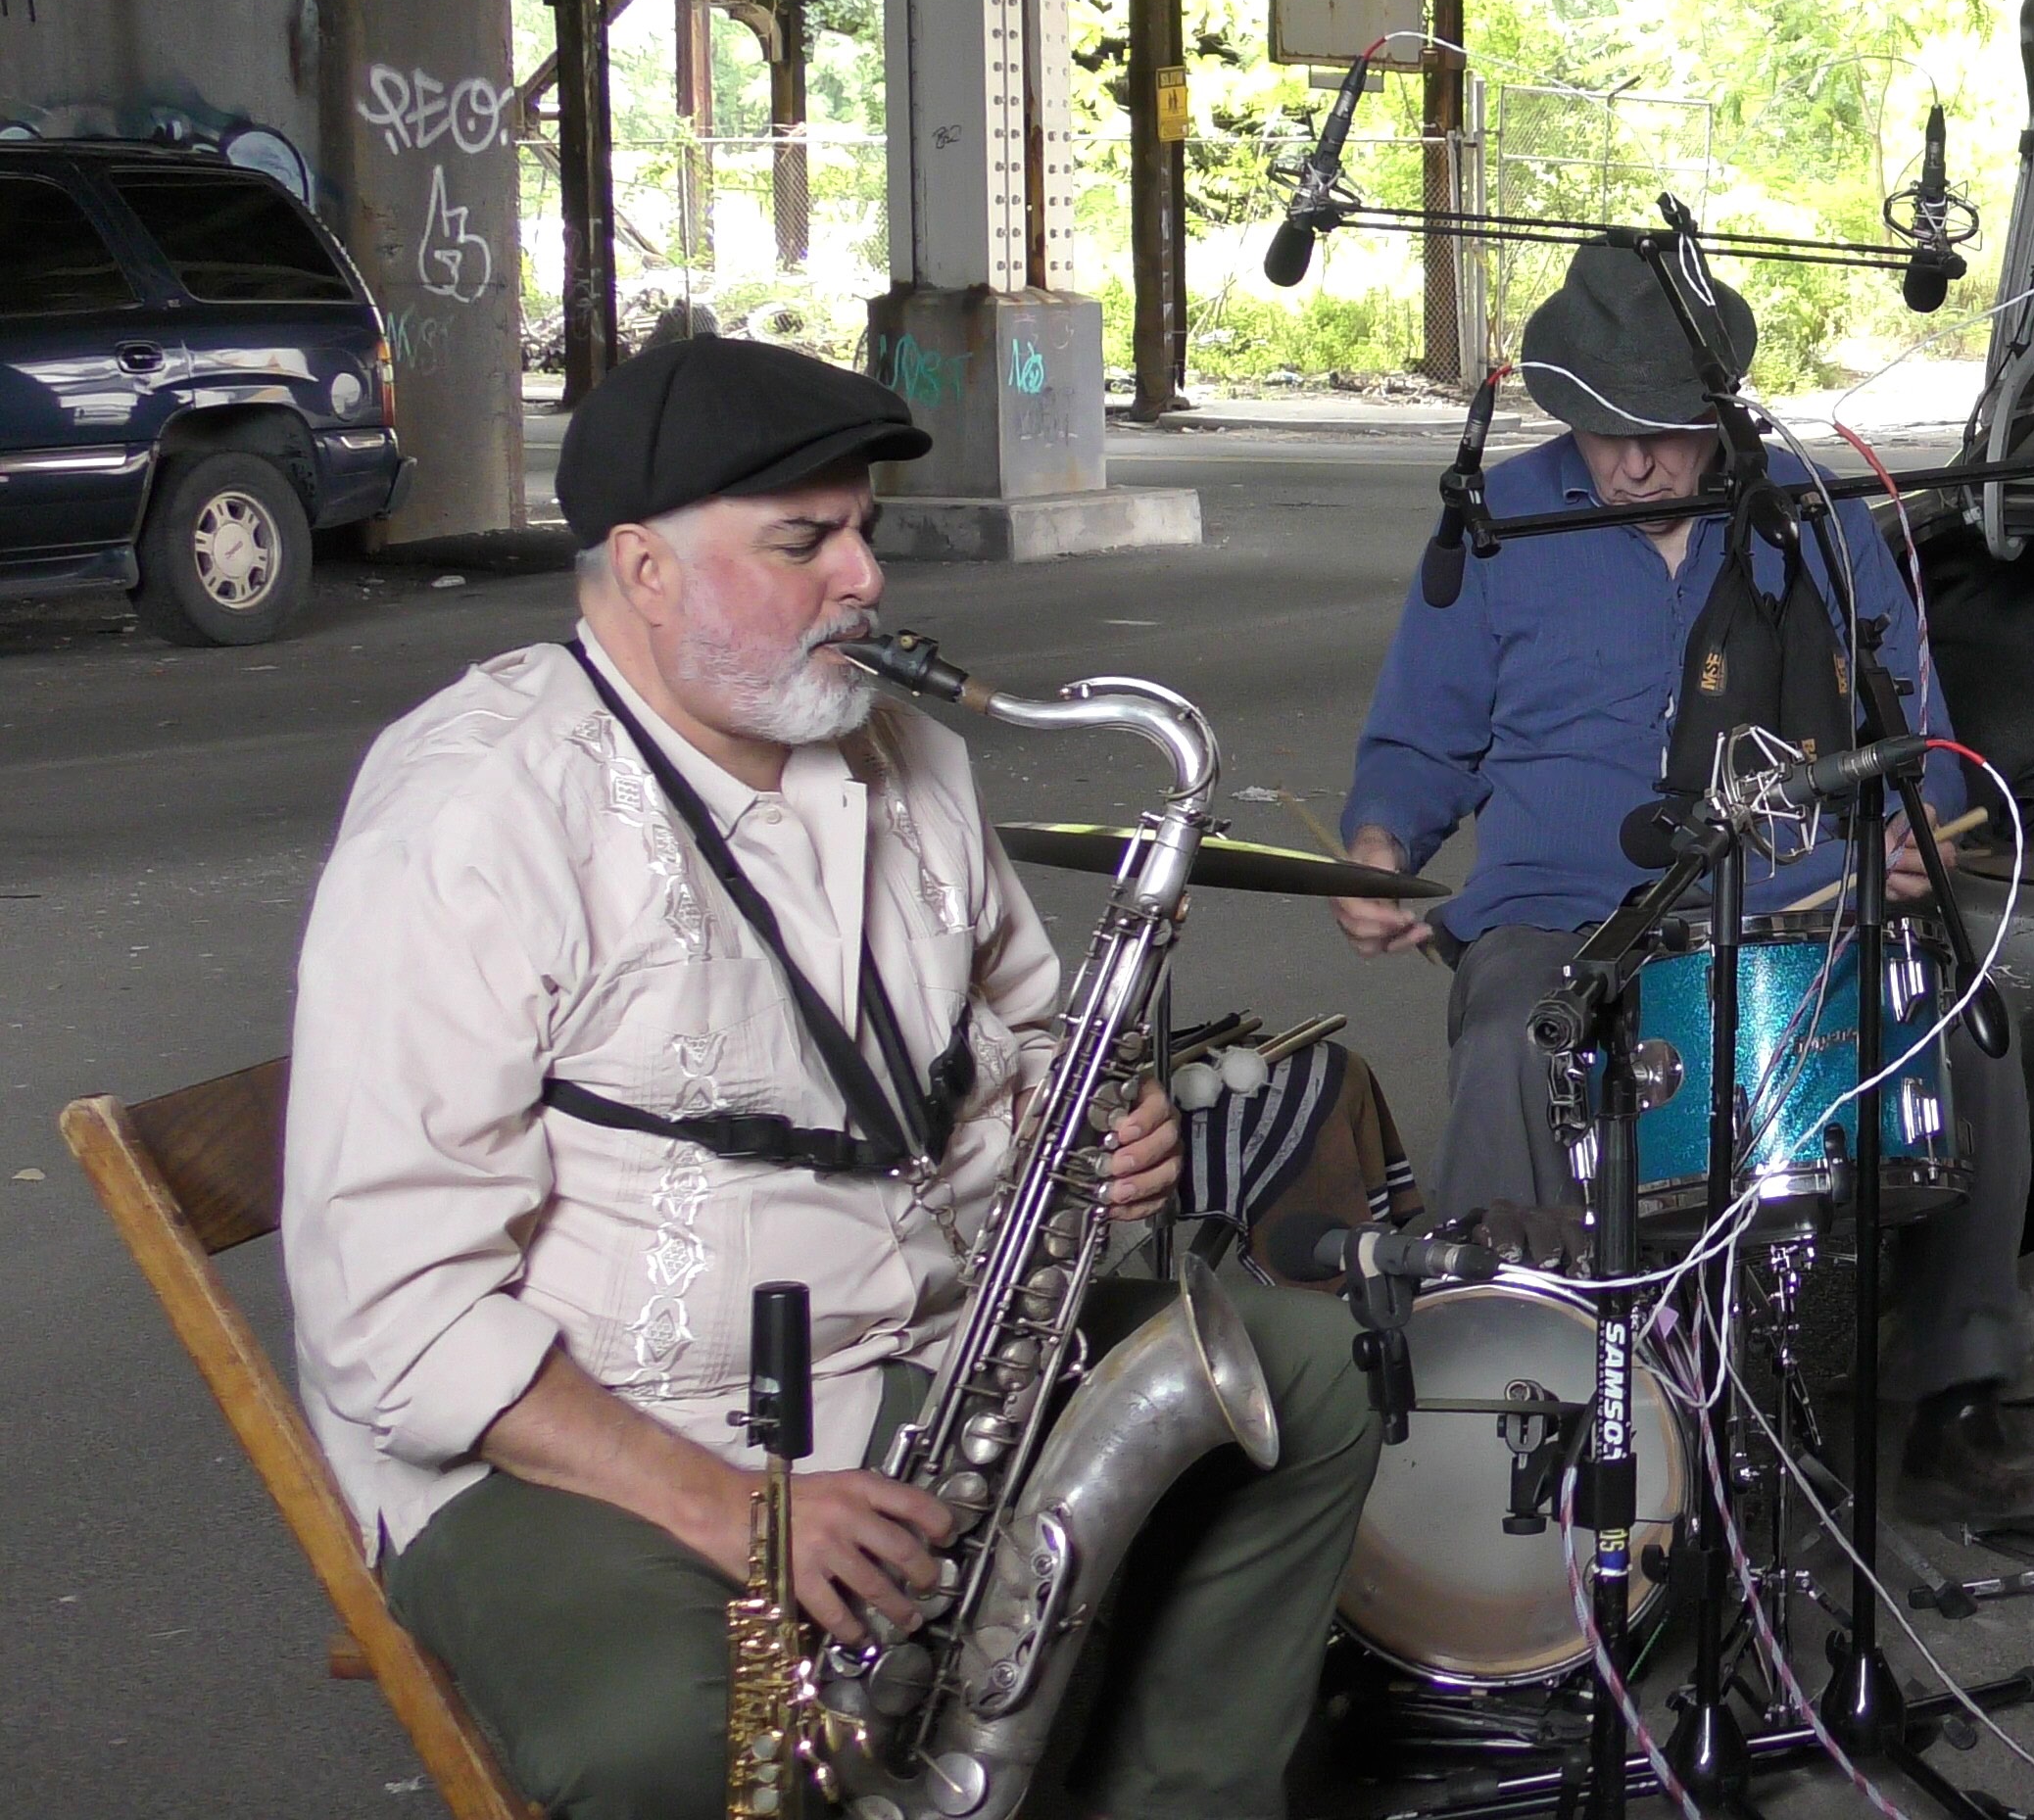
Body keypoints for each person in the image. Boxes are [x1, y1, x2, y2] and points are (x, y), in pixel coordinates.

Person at [285, 337, 1380, 1820]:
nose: (864, 577)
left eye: (861, 531)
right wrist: (739, 1514)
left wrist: (1096, 1121)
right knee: (662, 1741)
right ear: (642, 570)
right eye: (805, 542)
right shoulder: (473, 814)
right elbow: (391, 1316)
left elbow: (1025, 1026)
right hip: (590, 1437)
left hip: (901, 1349)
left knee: (1311, 1382)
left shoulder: (904, 748)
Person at [1331, 236, 2034, 1529]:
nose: (1630, 463)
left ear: (1717, 409)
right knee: (1516, 1034)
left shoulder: (1817, 520)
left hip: (1796, 902)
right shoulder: (1502, 522)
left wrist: (1921, 828)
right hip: (1565, 915)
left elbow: (1931, 744)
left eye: (1661, 435)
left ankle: (1954, 1405)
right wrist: (1376, 852)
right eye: (1601, 431)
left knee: (1982, 1036)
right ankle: (1498, 1406)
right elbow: (1415, 744)